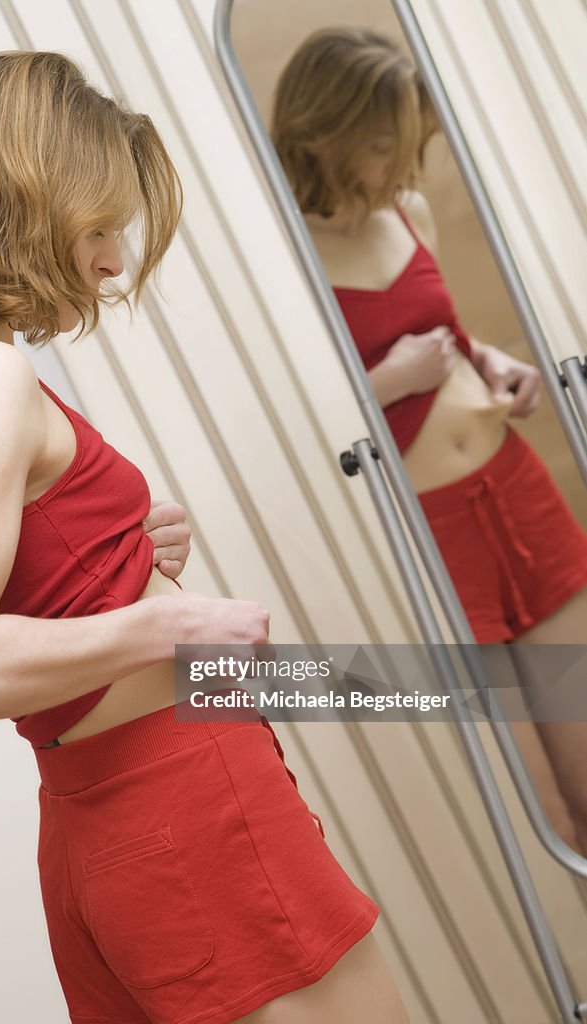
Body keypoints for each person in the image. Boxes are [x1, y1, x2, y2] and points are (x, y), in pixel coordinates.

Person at [0, 52, 409, 1024]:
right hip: (180, 802)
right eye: (98, 227)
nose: (112, 264)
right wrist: (160, 630)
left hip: (108, 829)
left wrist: (116, 560)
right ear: (19, 198)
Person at [271, 28, 587, 853]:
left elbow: (440, 333)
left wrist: (493, 361)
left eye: (404, 145)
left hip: (514, 491)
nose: (399, 169)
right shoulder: (280, 256)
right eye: (380, 148)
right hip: (434, 536)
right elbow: (301, 429)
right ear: (322, 135)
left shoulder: (405, 213)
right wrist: (392, 383)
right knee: (545, 815)